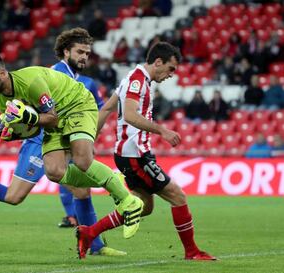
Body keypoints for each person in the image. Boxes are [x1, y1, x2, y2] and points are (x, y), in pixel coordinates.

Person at [0, 53, 144, 249]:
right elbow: (30, 127)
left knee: (82, 160)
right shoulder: (0, 100)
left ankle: (127, 200)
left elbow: (51, 117)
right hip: (51, 123)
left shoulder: (31, 82)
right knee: (54, 172)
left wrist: (28, 119)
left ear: (3, 74)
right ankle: (109, 181)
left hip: (76, 106)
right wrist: (15, 133)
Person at [76, 42, 216, 261]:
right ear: (158, 62)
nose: (171, 75)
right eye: (170, 68)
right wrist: (163, 130)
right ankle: (192, 252)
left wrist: (88, 137)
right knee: (178, 196)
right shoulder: (137, 80)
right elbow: (130, 115)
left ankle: (90, 232)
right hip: (135, 156)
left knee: (144, 207)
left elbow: (107, 108)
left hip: (131, 155)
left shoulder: (132, 77)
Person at [50, 27, 125, 256]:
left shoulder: (86, 82)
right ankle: (118, 188)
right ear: (65, 52)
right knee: (14, 195)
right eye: (80, 51)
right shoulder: (53, 75)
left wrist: (88, 135)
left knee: (81, 189)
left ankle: (94, 244)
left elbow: (99, 110)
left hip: (69, 139)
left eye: (87, 53)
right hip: (46, 141)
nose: (84, 56)